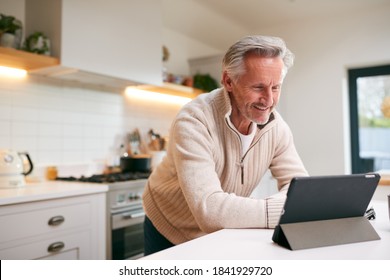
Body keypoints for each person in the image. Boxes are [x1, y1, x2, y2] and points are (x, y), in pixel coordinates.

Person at [142, 35, 308, 255]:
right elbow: (210, 211)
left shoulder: (276, 127)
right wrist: (282, 209)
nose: (268, 100)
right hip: (170, 225)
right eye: (258, 87)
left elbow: (301, 190)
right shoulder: (194, 120)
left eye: (275, 87)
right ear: (229, 81)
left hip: (222, 230)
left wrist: (290, 206)